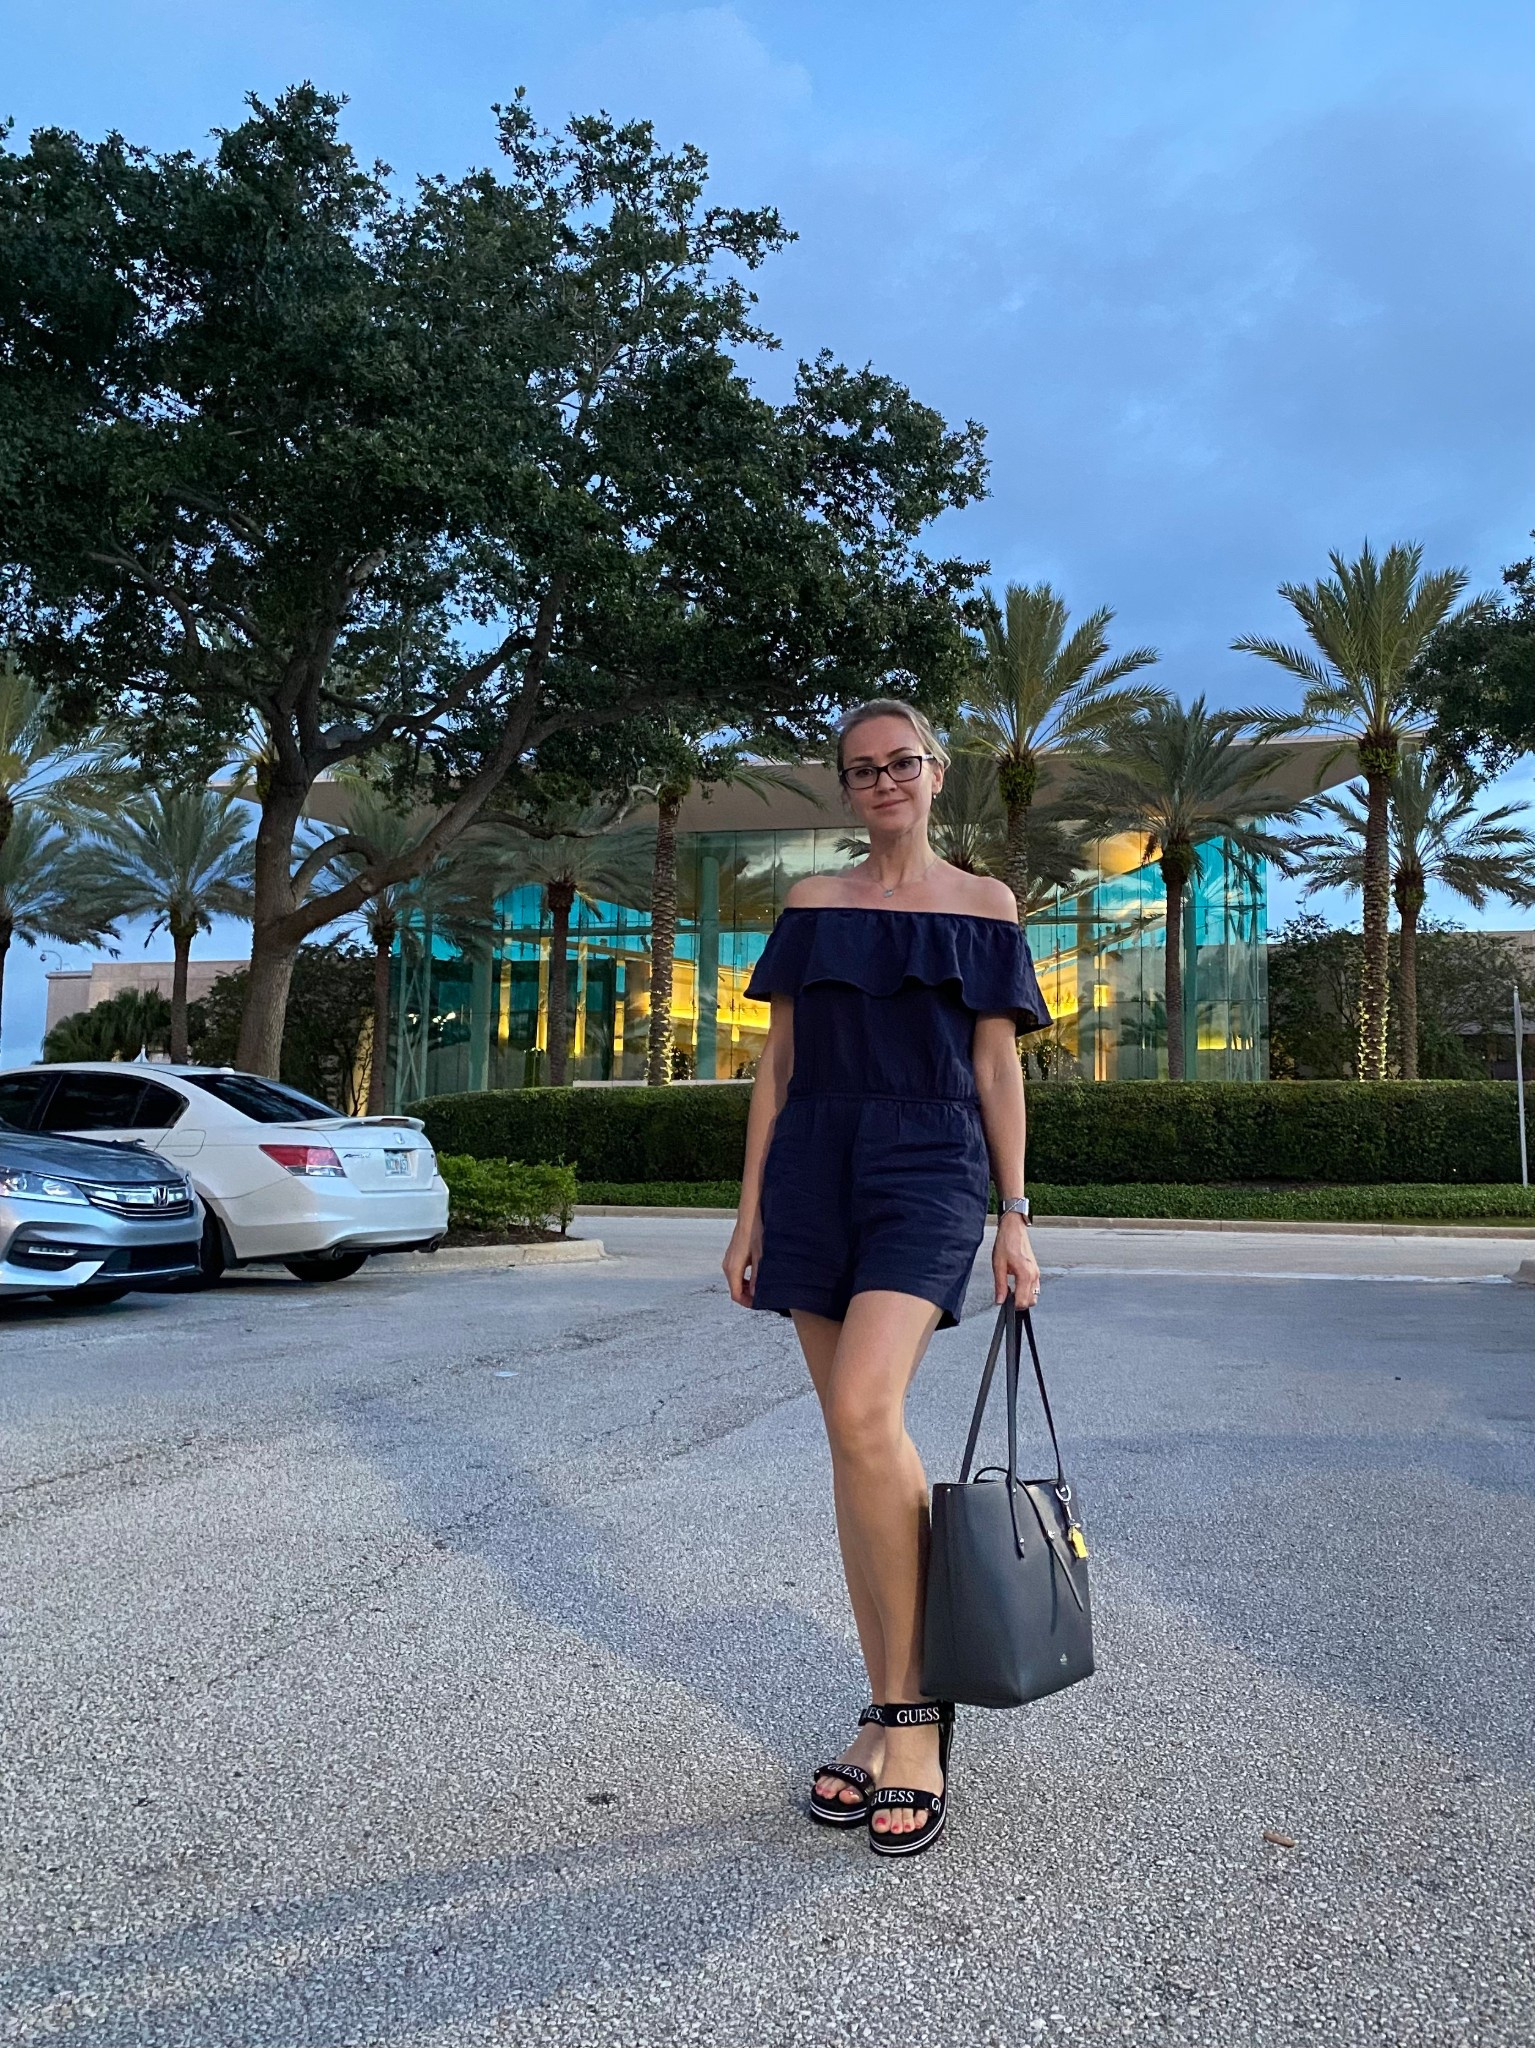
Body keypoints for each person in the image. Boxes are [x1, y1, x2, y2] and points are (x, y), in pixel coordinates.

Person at [723, 699, 1050, 1858]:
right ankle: (884, 1703)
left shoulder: (984, 906)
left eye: (899, 762)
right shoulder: (812, 904)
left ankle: (915, 1714)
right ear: (844, 786)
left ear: (935, 771)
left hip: (928, 1163)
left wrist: (1014, 1215)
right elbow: (777, 1065)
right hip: (814, 1164)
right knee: (851, 1441)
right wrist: (749, 1211)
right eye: (861, 769)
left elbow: (995, 1069)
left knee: (866, 1410)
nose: (882, 782)